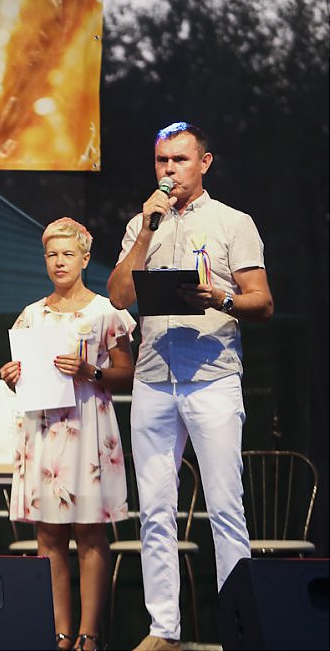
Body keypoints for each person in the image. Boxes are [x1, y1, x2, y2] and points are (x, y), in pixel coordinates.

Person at [107, 123, 274, 651]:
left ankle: (238, 628)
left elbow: (262, 301)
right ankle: (164, 631)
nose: (169, 170)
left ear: (204, 163)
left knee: (225, 508)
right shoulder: (141, 224)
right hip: (154, 378)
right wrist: (146, 231)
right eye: (162, 160)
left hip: (212, 377)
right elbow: (118, 296)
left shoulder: (232, 222)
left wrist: (219, 298)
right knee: (155, 511)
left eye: (179, 159)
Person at [0, 217, 135, 651]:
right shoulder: (31, 315)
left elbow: (127, 373)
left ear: (85, 259)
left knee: (90, 532)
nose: (59, 262)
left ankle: (88, 635)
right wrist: (12, 376)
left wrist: (90, 371)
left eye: (68, 254)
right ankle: (59, 633)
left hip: (88, 427)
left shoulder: (105, 311)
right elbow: (24, 376)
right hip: (44, 430)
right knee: (49, 535)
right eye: (52, 255)